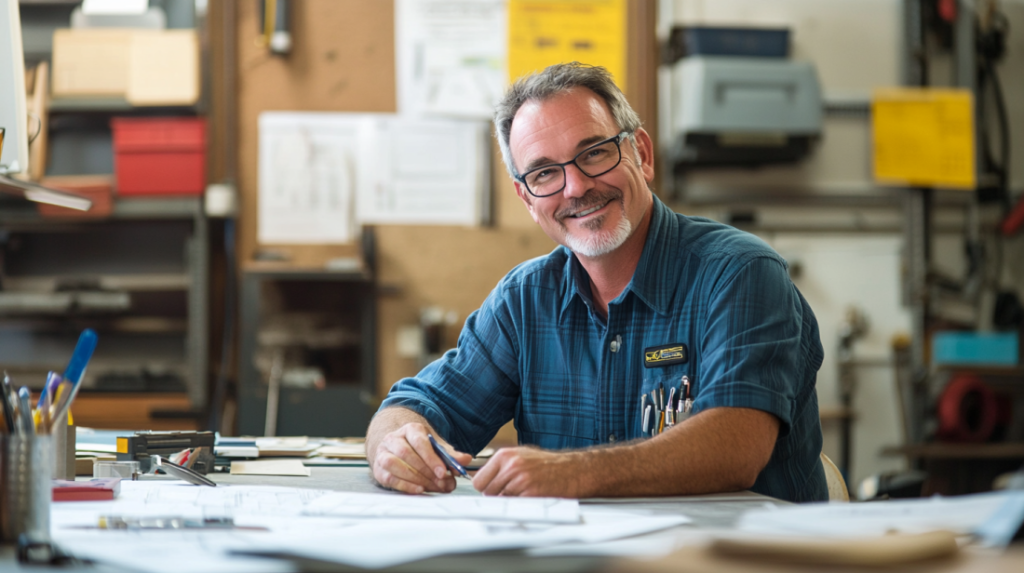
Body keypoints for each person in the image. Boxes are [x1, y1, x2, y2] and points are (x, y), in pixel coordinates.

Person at [366, 62, 827, 502]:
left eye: (594, 153)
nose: (575, 187)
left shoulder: (740, 273)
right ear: (527, 198)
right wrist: (396, 444)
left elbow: (736, 446)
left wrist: (572, 472)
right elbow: (417, 404)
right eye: (545, 172)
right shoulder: (524, 300)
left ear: (641, 154)